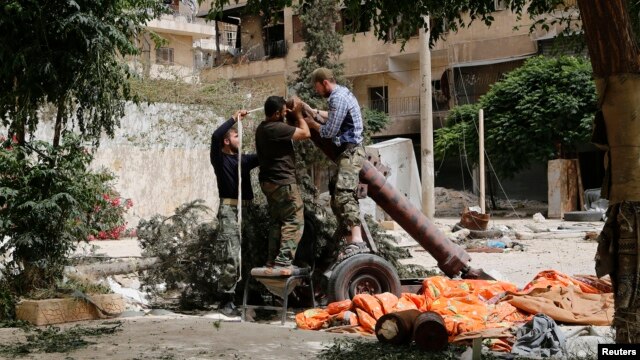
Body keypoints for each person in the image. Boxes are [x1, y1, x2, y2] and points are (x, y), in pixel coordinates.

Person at [305, 67, 369, 259]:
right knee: (335, 196)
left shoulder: (336, 98)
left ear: (325, 83)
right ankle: (350, 241)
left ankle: (357, 241)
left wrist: (311, 123)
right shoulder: (341, 94)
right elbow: (333, 117)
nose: (318, 92)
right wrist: (314, 111)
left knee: (343, 194)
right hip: (349, 152)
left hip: (351, 152)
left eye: (317, 88)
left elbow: (329, 131)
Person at [210, 109, 260, 313]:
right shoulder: (220, 160)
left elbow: (264, 154)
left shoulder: (243, 160)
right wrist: (234, 118)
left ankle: (251, 295)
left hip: (247, 210)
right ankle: (226, 300)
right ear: (227, 141)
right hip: (230, 210)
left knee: (251, 253)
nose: (240, 138)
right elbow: (215, 136)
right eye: (236, 135)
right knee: (231, 254)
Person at [255, 96, 310, 268]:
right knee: (294, 219)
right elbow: (305, 134)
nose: (286, 114)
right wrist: (299, 115)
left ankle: (272, 260)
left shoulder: (262, 128)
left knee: (276, 221)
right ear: (277, 113)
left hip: (268, 183)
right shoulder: (276, 128)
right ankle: (284, 259)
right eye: (284, 112)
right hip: (283, 182)